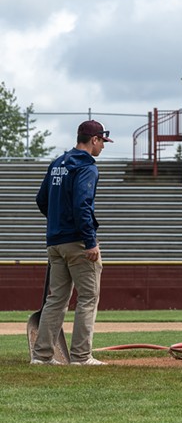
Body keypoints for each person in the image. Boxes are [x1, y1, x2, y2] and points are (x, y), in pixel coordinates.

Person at [32, 120, 113, 366]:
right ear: (95, 139)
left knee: (56, 299)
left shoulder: (57, 163)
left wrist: (59, 222)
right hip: (77, 242)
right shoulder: (87, 166)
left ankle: (42, 355)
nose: (103, 148)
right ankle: (81, 356)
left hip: (54, 241)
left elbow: (41, 200)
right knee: (88, 296)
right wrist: (90, 241)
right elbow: (82, 204)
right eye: (102, 142)